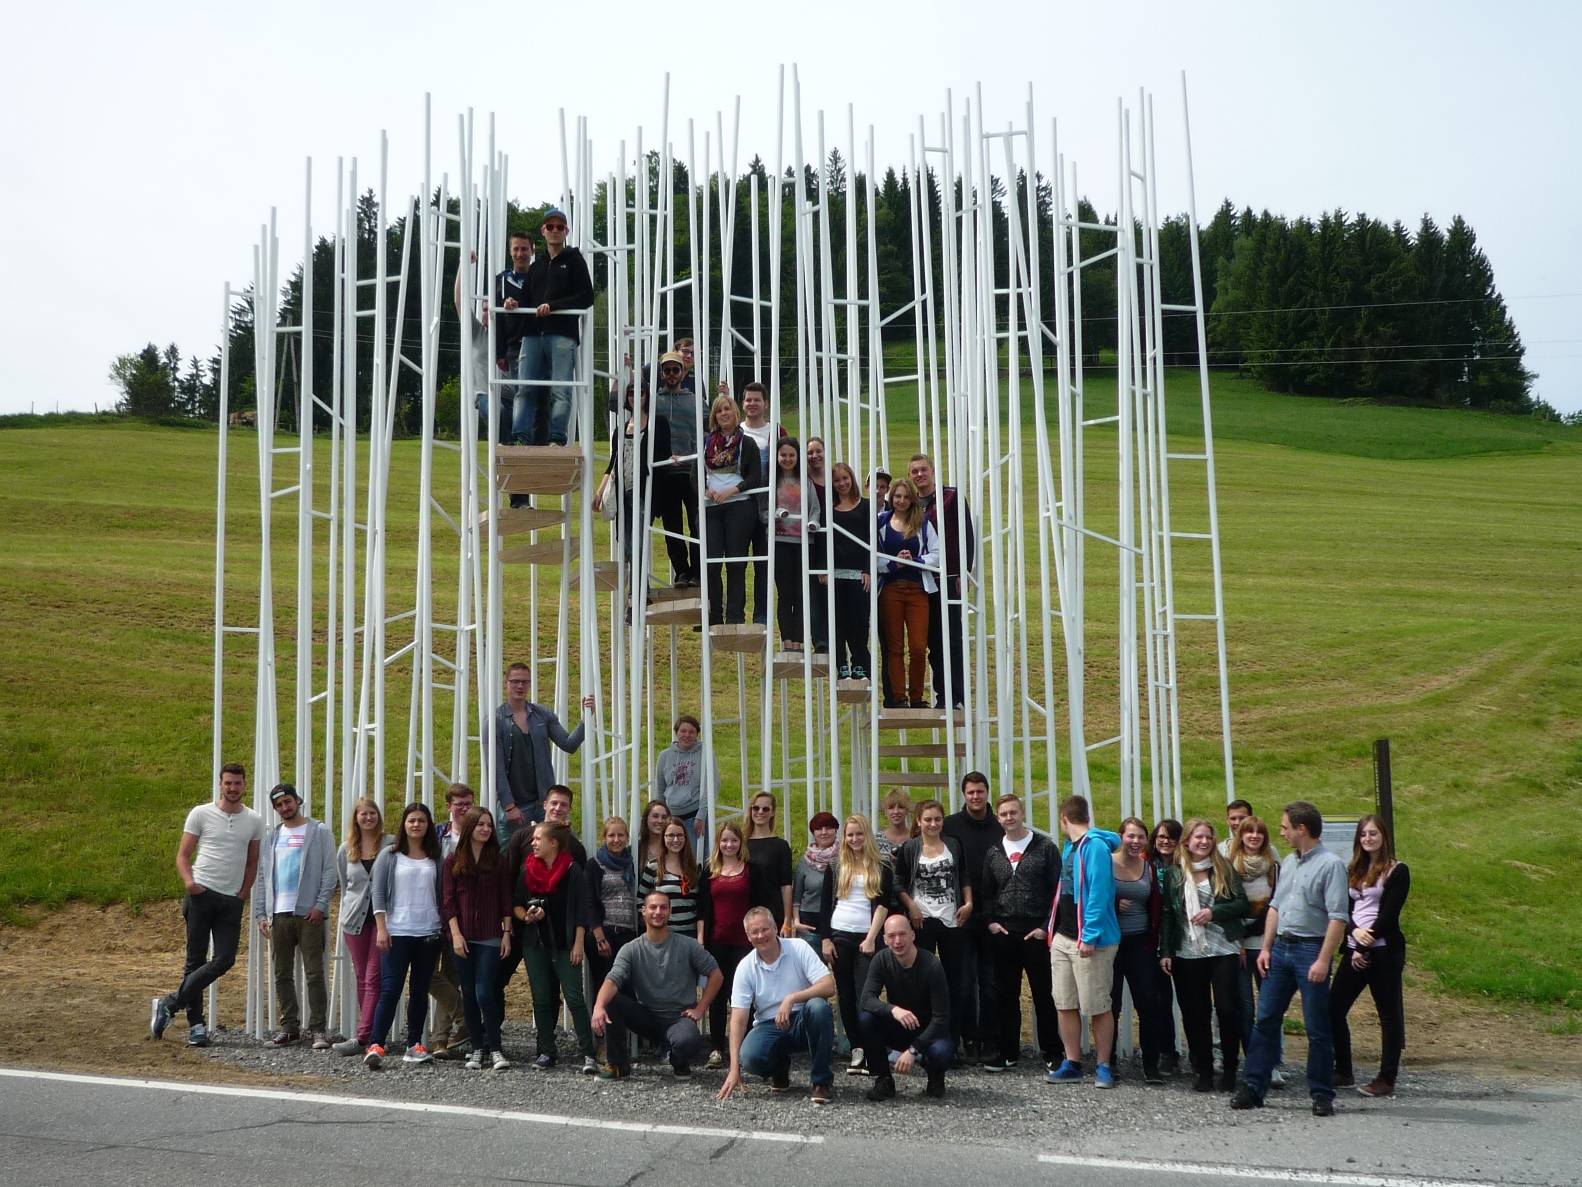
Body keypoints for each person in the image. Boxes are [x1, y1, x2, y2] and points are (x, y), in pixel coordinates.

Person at [1232, 801, 1350, 1116]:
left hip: (1311, 948)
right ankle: (1254, 1087)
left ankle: (1322, 1093)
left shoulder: (1331, 865)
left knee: (1316, 1026)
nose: (1281, 832)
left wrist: (1324, 960)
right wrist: (1267, 947)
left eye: (1285, 827)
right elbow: (1276, 907)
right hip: (1281, 949)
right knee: (1266, 1019)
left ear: (1302, 829)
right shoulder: (1289, 862)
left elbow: (1338, 917)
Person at [150, 762, 264, 1047]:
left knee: (225, 959)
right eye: (228, 783)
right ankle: (196, 1026)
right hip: (201, 894)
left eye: (237, 783)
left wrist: (244, 892)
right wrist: (189, 883)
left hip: (231, 900)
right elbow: (183, 854)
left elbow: (253, 861)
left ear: (244, 785)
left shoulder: (254, 820)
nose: (233, 788)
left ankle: (170, 1003)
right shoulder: (201, 813)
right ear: (220, 784)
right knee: (195, 961)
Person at [1160, 818, 1250, 1093]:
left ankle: (1231, 1068)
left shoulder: (1224, 868)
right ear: (1187, 841)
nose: (1204, 842)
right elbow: (1168, 914)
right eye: (1198, 837)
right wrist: (1166, 951)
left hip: (1222, 948)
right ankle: (1203, 1069)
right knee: (1194, 1012)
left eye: (1208, 838)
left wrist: (1214, 913)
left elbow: (1241, 903)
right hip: (1188, 951)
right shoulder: (1176, 873)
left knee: (1227, 1008)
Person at [592, 892, 723, 1079]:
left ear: (670, 912)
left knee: (687, 1039)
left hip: (679, 1018)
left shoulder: (688, 945)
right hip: (648, 1017)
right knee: (611, 1001)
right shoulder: (631, 949)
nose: (658, 912)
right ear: (643, 911)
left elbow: (716, 974)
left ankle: (679, 1062)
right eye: (653, 907)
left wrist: (701, 1008)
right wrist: (598, 1006)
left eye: (663, 907)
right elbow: (613, 980)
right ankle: (617, 1065)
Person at [716, 907, 838, 1105]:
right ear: (748, 936)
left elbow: (828, 986)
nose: (761, 935)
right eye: (754, 932)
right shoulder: (745, 967)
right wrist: (733, 1069)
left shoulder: (799, 947)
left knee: (818, 1007)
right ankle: (779, 1067)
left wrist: (792, 998)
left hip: (802, 1019)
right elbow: (738, 1020)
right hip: (769, 1025)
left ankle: (821, 1081)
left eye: (765, 929)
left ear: (775, 928)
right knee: (750, 1058)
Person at [1330, 814, 1410, 1098]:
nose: (1368, 839)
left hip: (1384, 950)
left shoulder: (1397, 871)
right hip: (1355, 947)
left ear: (1384, 836)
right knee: (1333, 1007)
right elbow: (1346, 910)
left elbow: (1389, 915)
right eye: (1363, 835)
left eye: (1373, 834)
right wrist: (1354, 937)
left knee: (1388, 1015)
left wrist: (1364, 945)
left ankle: (1386, 1078)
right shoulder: (1354, 870)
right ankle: (1343, 1070)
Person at [1046, 795, 1122, 1088]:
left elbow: (1100, 894)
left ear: (1064, 818)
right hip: (1063, 937)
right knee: (1064, 1002)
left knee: (1097, 1004)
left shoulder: (1096, 847)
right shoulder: (1070, 847)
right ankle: (1072, 1061)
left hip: (1092, 941)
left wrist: (1089, 936)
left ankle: (1104, 1064)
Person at [979, 793, 1060, 1073]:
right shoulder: (994, 852)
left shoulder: (1045, 848)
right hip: (1004, 932)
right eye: (1003, 814)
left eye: (1013, 812)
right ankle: (1008, 1051)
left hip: (1036, 933)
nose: (1009, 818)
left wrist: (1045, 926)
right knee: (1006, 996)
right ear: (998, 818)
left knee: (1044, 995)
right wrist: (990, 921)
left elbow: (1057, 892)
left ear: (1022, 813)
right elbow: (986, 892)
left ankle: (1052, 1052)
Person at [253, 783, 337, 1049]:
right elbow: (264, 877)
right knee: (282, 973)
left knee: (314, 973)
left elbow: (329, 871)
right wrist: (261, 914)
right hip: (278, 915)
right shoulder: (272, 837)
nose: (284, 808)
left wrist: (320, 905)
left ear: (298, 800)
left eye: (288, 802)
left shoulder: (318, 831)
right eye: (279, 805)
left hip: (308, 914)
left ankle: (318, 1029)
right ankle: (289, 1027)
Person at [364, 802, 445, 1069]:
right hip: (397, 932)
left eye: (421, 820)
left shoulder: (436, 856)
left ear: (428, 825)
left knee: (420, 991)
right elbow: (377, 892)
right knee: (390, 990)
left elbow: (442, 892)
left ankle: (414, 1044)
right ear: (404, 824)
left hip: (428, 932)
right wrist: (382, 927)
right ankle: (377, 1044)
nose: (416, 825)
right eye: (412, 820)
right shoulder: (390, 854)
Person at [514, 820, 598, 1074]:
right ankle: (546, 1051)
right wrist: (527, 916)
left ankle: (589, 1053)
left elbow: (581, 909)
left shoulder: (572, 870)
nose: (533, 843)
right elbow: (516, 905)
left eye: (538, 839)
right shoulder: (527, 870)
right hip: (535, 942)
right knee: (540, 997)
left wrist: (579, 943)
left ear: (554, 843)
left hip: (565, 942)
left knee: (574, 997)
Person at [817, 814, 894, 1076]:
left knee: (866, 996)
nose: (854, 839)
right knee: (846, 995)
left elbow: (883, 904)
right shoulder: (836, 865)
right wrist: (825, 938)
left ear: (867, 835)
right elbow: (825, 904)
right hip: (840, 934)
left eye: (859, 834)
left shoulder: (882, 866)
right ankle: (856, 1049)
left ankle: (874, 1047)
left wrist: (872, 937)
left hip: (867, 936)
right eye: (850, 835)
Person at [893, 798, 973, 1050]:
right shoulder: (910, 848)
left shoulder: (953, 845)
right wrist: (911, 906)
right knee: (922, 981)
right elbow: (898, 882)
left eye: (938, 819)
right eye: (928, 819)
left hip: (952, 920)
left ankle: (952, 1040)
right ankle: (920, 1039)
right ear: (918, 821)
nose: (933, 824)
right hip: (922, 920)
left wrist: (969, 903)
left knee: (954, 982)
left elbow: (964, 875)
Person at [442, 807, 514, 1071]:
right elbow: (448, 901)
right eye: (481, 824)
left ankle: (495, 1047)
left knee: (486, 991)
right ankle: (476, 1049)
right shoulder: (453, 861)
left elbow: (506, 899)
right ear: (470, 827)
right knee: (469, 993)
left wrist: (506, 933)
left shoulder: (498, 861)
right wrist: (456, 935)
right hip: (462, 937)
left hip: (490, 936)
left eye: (489, 825)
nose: (485, 829)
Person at [515, 207, 594, 446]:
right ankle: (521, 436)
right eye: (551, 227)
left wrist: (554, 306)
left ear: (566, 231)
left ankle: (557, 438)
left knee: (561, 389)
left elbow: (587, 296)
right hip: (533, 334)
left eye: (560, 227)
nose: (555, 231)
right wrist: (514, 303)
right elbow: (528, 298)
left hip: (562, 334)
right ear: (543, 231)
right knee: (525, 387)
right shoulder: (537, 265)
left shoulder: (575, 260)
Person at [491, 662, 595, 840]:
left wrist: (587, 718)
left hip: (544, 801)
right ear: (506, 682)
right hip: (515, 804)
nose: (520, 686)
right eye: (515, 681)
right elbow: (495, 767)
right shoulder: (496, 720)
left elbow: (569, 745)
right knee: (511, 857)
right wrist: (509, 806)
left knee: (564, 844)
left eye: (525, 682)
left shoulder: (542, 714)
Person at [941, 772, 1003, 1061]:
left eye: (980, 791)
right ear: (963, 794)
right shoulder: (950, 826)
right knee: (962, 982)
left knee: (991, 981)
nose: (975, 797)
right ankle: (965, 1039)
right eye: (970, 792)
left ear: (987, 792)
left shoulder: (1000, 825)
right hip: (960, 915)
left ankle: (990, 1040)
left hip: (993, 914)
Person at [860, 913, 955, 1101]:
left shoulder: (931, 965)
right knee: (866, 1018)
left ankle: (935, 1076)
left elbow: (941, 1018)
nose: (897, 941)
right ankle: (883, 1079)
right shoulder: (881, 960)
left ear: (913, 935)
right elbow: (866, 999)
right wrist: (893, 1009)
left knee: (942, 1052)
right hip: (900, 1025)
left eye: (902, 934)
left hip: (929, 1030)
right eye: (891, 936)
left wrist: (914, 1050)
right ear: (885, 939)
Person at [909, 454, 975, 711]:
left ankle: (955, 696)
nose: (919, 475)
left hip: (948, 577)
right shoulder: (911, 503)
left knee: (952, 639)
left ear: (932, 470)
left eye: (923, 470)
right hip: (923, 580)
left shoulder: (951, 497)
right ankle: (941, 695)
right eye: (914, 471)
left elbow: (965, 534)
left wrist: (963, 571)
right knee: (932, 641)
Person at [1108, 816, 1170, 1085]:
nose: (1135, 842)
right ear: (1121, 836)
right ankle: (1106, 1061)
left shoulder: (1149, 868)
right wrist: (1112, 903)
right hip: (1110, 943)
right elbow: (1090, 898)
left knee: (1148, 1002)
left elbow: (1156, 903)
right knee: (1110, 1004)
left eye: (1140, 837)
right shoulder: (1106, 864)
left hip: (1141, 943)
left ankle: (1150, 1064)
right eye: (1130, 836)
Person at [332, 798, 392, 1056]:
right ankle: (368, 1033)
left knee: (373, 976)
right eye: (363, 814)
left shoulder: (390, 844)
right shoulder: (346, 849)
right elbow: (346, 887)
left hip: (382, 921)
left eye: (372, 813)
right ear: (355, 819)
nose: (368, 818)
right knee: (361, 977)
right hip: (354, 919)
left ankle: (363, 1035)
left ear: (378, 816)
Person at [596, 386, 671, 592]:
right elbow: (613, 463)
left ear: (647, 396)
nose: (635, 397)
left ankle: (638, 592)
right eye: (630, 393)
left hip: (644, 491)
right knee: (626, 542)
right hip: (623, 491)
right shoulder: (620, 429)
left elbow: (664, 455)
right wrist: (600, 491)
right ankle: (639, 589)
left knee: (637, 542)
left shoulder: (658, 423)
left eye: (639, 393)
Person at [1228, 814, 1285, 1085]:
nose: (1253, 836)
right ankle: (1252, 1060)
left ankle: (1271, 1062)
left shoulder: (1273, 861)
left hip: (1266, 945)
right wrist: (1238, 939)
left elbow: (1279, 900)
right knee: (1245, 1008)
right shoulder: (1230, 862)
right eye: (1248, 832)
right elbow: (1226, 902)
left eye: (1259, 832)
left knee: (1269, 1008)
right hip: (1239, 945)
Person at [876, 477, 939, 708]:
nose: (901, 500)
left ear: (912, 499)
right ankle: (899, 696)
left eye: (905, 496)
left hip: (917, 591)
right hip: (891, 589)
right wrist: (894, 564)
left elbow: (936, 553)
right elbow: (872, 555)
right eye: (897, 496)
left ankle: (917, 696)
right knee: (894, 646)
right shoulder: (881, 521)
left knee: (918, 646)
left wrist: (915, 561)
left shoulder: (922, 522)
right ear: (891, 498)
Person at [702, 395, 762, 627]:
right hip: (712, 507)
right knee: (713, 562)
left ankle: (735, 615)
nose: (723, 413)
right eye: (719, 411)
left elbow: (755, 477)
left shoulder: (746, 443)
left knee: (736, 563)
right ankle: (714, 615)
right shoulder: (707, 442)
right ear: (715, 416)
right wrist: (708, 491)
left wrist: (731, 491)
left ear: (735, 412)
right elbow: (695, 475)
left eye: (727, 409)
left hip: (739, 506)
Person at [429, 783, 476, 1059]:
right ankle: (466, 1016)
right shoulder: (437, 835)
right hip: (432, 913)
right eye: (459, 804)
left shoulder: (480, 834)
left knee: (449, 976)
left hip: (462, 919)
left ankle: (439, 1040)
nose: (463, 808)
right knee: (425, 975)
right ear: (449, 806)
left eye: (468, 803)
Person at [703, 821, 755, 1068]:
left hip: (745, 942)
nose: (729, 844)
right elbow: (703, 909)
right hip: (717, 941)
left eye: (733, 840)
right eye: (724, 840)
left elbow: (758, 904)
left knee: (744, 994)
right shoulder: (709, 870)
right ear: (718, 843)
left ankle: (744, 1045)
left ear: (740, 843)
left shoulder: (750, 870)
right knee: (717, 994)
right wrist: (701, 940)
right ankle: (716, 1047)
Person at [585, 816, 640, 1041]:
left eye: (620, 835)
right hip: (605, 934)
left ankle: (624, 1038)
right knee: (604, 987)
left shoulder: (631, 862)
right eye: (611, 835)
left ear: (627, 838)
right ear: (604, 838)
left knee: (626, 987)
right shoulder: (595, 864)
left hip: (628, 935)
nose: (616, 840)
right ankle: (603, 1041)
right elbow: (588, 901)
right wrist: (599, 937)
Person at [653, 352, 703, 587]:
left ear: (683, 373)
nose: (671, 375)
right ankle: (681, 571)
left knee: (696, 523)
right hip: (665, 472)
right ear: (662, 374)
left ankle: (697, 572)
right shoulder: (653, 401)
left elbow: (714, 424)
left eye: (676, 370)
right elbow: (618, 403)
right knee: (672, 526)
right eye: (667, 371)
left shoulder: (694, 400)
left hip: (691, 471)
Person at [738, 382, 784, 625]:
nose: (752, 404)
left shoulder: (776, 432)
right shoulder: (736, 431)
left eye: (757, 400)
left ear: (765, 403)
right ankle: (735, 613)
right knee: (737, 561)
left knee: (764, 563)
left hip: (767, 506)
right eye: (748, 400)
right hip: (740, 504)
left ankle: (761, 616)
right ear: (742, 403)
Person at [823, 462, 873, 682]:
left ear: (852, 479)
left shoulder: (866, 506)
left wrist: (868, 570)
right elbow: (822, 541)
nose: (842, 483)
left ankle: (860, 666)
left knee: (859, 623)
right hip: (834, 576)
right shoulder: (828, 508)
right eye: (837, 480)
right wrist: (823, 568)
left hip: (858, 576)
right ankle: (841, 666)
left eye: (845, 478)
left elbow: (872, 541)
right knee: (837, 624)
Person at [771, 437, 821, 651]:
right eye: (784, 455)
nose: (788, 459)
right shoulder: (772, 481)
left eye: (792, 455)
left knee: (802, 593)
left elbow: (815, 508)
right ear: (777, 456)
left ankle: (799, 639)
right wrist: (775, 514)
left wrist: (813, 522)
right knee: (785, 593)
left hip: (803, 543)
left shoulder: (806, 481)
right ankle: (787, 639)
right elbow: (764, 510)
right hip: (780, 542)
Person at [493, 231, 537, 444]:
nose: (520, 254)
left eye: (524, 249)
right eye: (516, 249)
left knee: (540, 392)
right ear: (511, 252)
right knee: (524, 390)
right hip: (513, 345)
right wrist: (499, 352)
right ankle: (523, 439)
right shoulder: (501, 280)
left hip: (538, 342)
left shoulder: (540, 276)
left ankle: (536, 439)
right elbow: (496, 320)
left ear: (532, 250)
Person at [1149, 816, 1185, 1074]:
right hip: (1154, 938)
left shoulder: (1187, 866)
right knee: (1160, 1000)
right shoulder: (1146, 865)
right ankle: (1167, 1051)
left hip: (1182, 938)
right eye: (1161, 836)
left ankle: (1197, 1051)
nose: (1165, 841)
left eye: (1171, 837)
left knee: (1190, 999)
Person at [653, 715, 716, 855]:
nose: (687, 735)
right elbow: (660, 788)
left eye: (691, 732)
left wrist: (701, 815)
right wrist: (661, 817)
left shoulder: (705, 754)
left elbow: (712, 786)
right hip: (672, 819)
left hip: (694, 818)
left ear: (697, 734)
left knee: (694, 861)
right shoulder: (665, 756)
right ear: (676, 733)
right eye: (683, 731)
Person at [639, 817, 709, 942]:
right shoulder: (653, 867)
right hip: (663, 934)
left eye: (679, 835)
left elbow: (701, 907)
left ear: (685, 838)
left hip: (690, 936)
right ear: (663, 838)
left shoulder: (696, 869)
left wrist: (700, 938)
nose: (675, 839)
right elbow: (640, 900)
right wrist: (651, 926)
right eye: (670, 835)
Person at [745, 792, 794, 931]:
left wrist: (787, 920)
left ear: (772, 813)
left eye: (765, 809)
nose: (760, 812)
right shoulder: (740, 844)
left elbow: (786, 886)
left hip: (773, 914)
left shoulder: (781, 846)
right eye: (756, 808)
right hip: (745, 913)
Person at [790, 812, 840, 940]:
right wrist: (796, 922)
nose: (824, 832)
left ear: (835, 830)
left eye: (828, 828)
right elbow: (797, 895)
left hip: (837, 922)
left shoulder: (845, 858)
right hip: (809, 924)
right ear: (813, 832)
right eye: (819, 829)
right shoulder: (805, 860)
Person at [875, 789, 918, 863]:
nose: (896, 811)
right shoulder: (876, 840)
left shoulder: (916, 839)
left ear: (907, 810)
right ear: (885, 811)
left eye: (901, 807)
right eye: (891, 808)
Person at [635, 799, 672, 875]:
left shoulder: (675, 847)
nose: (660, 821)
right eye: (655, 816)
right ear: (646, 819)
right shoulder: (635, 850)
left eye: (664, 817)